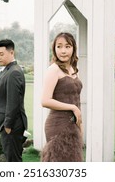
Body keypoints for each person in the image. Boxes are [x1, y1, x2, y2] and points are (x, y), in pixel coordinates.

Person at [41, 32, 84, 162]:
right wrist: (73, 108)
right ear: (54, 49)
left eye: (67, 46)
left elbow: (77, 99)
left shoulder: (73, 69)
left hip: (73, 126)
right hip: (57, 125)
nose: (63, 51)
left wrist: (80, 127)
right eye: (59, 46)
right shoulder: (53, 70)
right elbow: (45, 100)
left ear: (73, 48)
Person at [0, 39, 28, 162]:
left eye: (1, 54)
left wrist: (7, 125)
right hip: (7, 125)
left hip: (11, 126)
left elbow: (13, 102)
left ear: (12, 52)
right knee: (11, 158)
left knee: (13, 160)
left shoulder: (14, 72)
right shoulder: (7, 70)